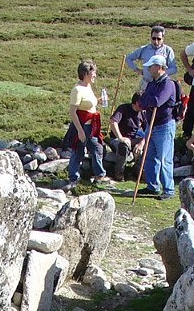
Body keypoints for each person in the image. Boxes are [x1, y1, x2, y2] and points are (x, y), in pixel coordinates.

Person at [65, 60, 114, 188]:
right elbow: (73, 112)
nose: (95, 75)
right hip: (82, 126)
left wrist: (99, 100)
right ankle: (73, 178)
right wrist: (80, 131)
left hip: (92, 127)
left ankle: (99, 175)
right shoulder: (77, 90)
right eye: (93, 73)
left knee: (97, 148)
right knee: (78, 151)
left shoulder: (88, 87)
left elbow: (88, 104)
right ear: (86, 73)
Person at [137, 56, 176, 199]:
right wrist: (146, 99)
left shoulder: (168, 84)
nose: (148, 69)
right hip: (151, 124)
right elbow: (142, 102)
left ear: (159, 67)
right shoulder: (152, 83)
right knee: (150, 156)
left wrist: (146, 97)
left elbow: (157, 101)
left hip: (164, 126)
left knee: (164, 158)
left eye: (151, 66)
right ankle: (152, 186)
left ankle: (168, 190)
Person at [125, 24, 177, 90]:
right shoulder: (144, 49)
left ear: (163, 39)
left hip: (160, 85)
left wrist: (161, 73)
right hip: (146, 84)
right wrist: (137, 70)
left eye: (159, 39)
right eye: (154, 38)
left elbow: (173, 69)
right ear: (150, 37)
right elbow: (128, 58)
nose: (156, 41)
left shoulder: (168, 50)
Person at [108, 92, 146, 180]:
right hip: (117, 139)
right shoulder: (123, 108)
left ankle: (137, 169)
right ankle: (119, 173)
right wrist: (120, 137)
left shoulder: (143, 114)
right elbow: (113, 122)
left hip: (132, 139)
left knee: (149, 144)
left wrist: (141, 143)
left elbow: (148, 130)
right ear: (137, 103)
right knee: (123, 146)